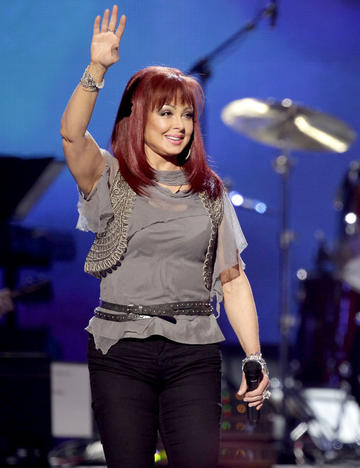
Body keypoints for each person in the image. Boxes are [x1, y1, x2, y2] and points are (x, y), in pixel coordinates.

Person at [60, 6, 270, 468]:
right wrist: (97, 68)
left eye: (188, 114)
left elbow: (233, 280)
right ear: (139, 116)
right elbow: (72, 137)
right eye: (167, 112)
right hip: (121, 350)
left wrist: (254, 357)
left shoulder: (210, 190)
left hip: (193, 352)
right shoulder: (110, 176)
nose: (180, 124)